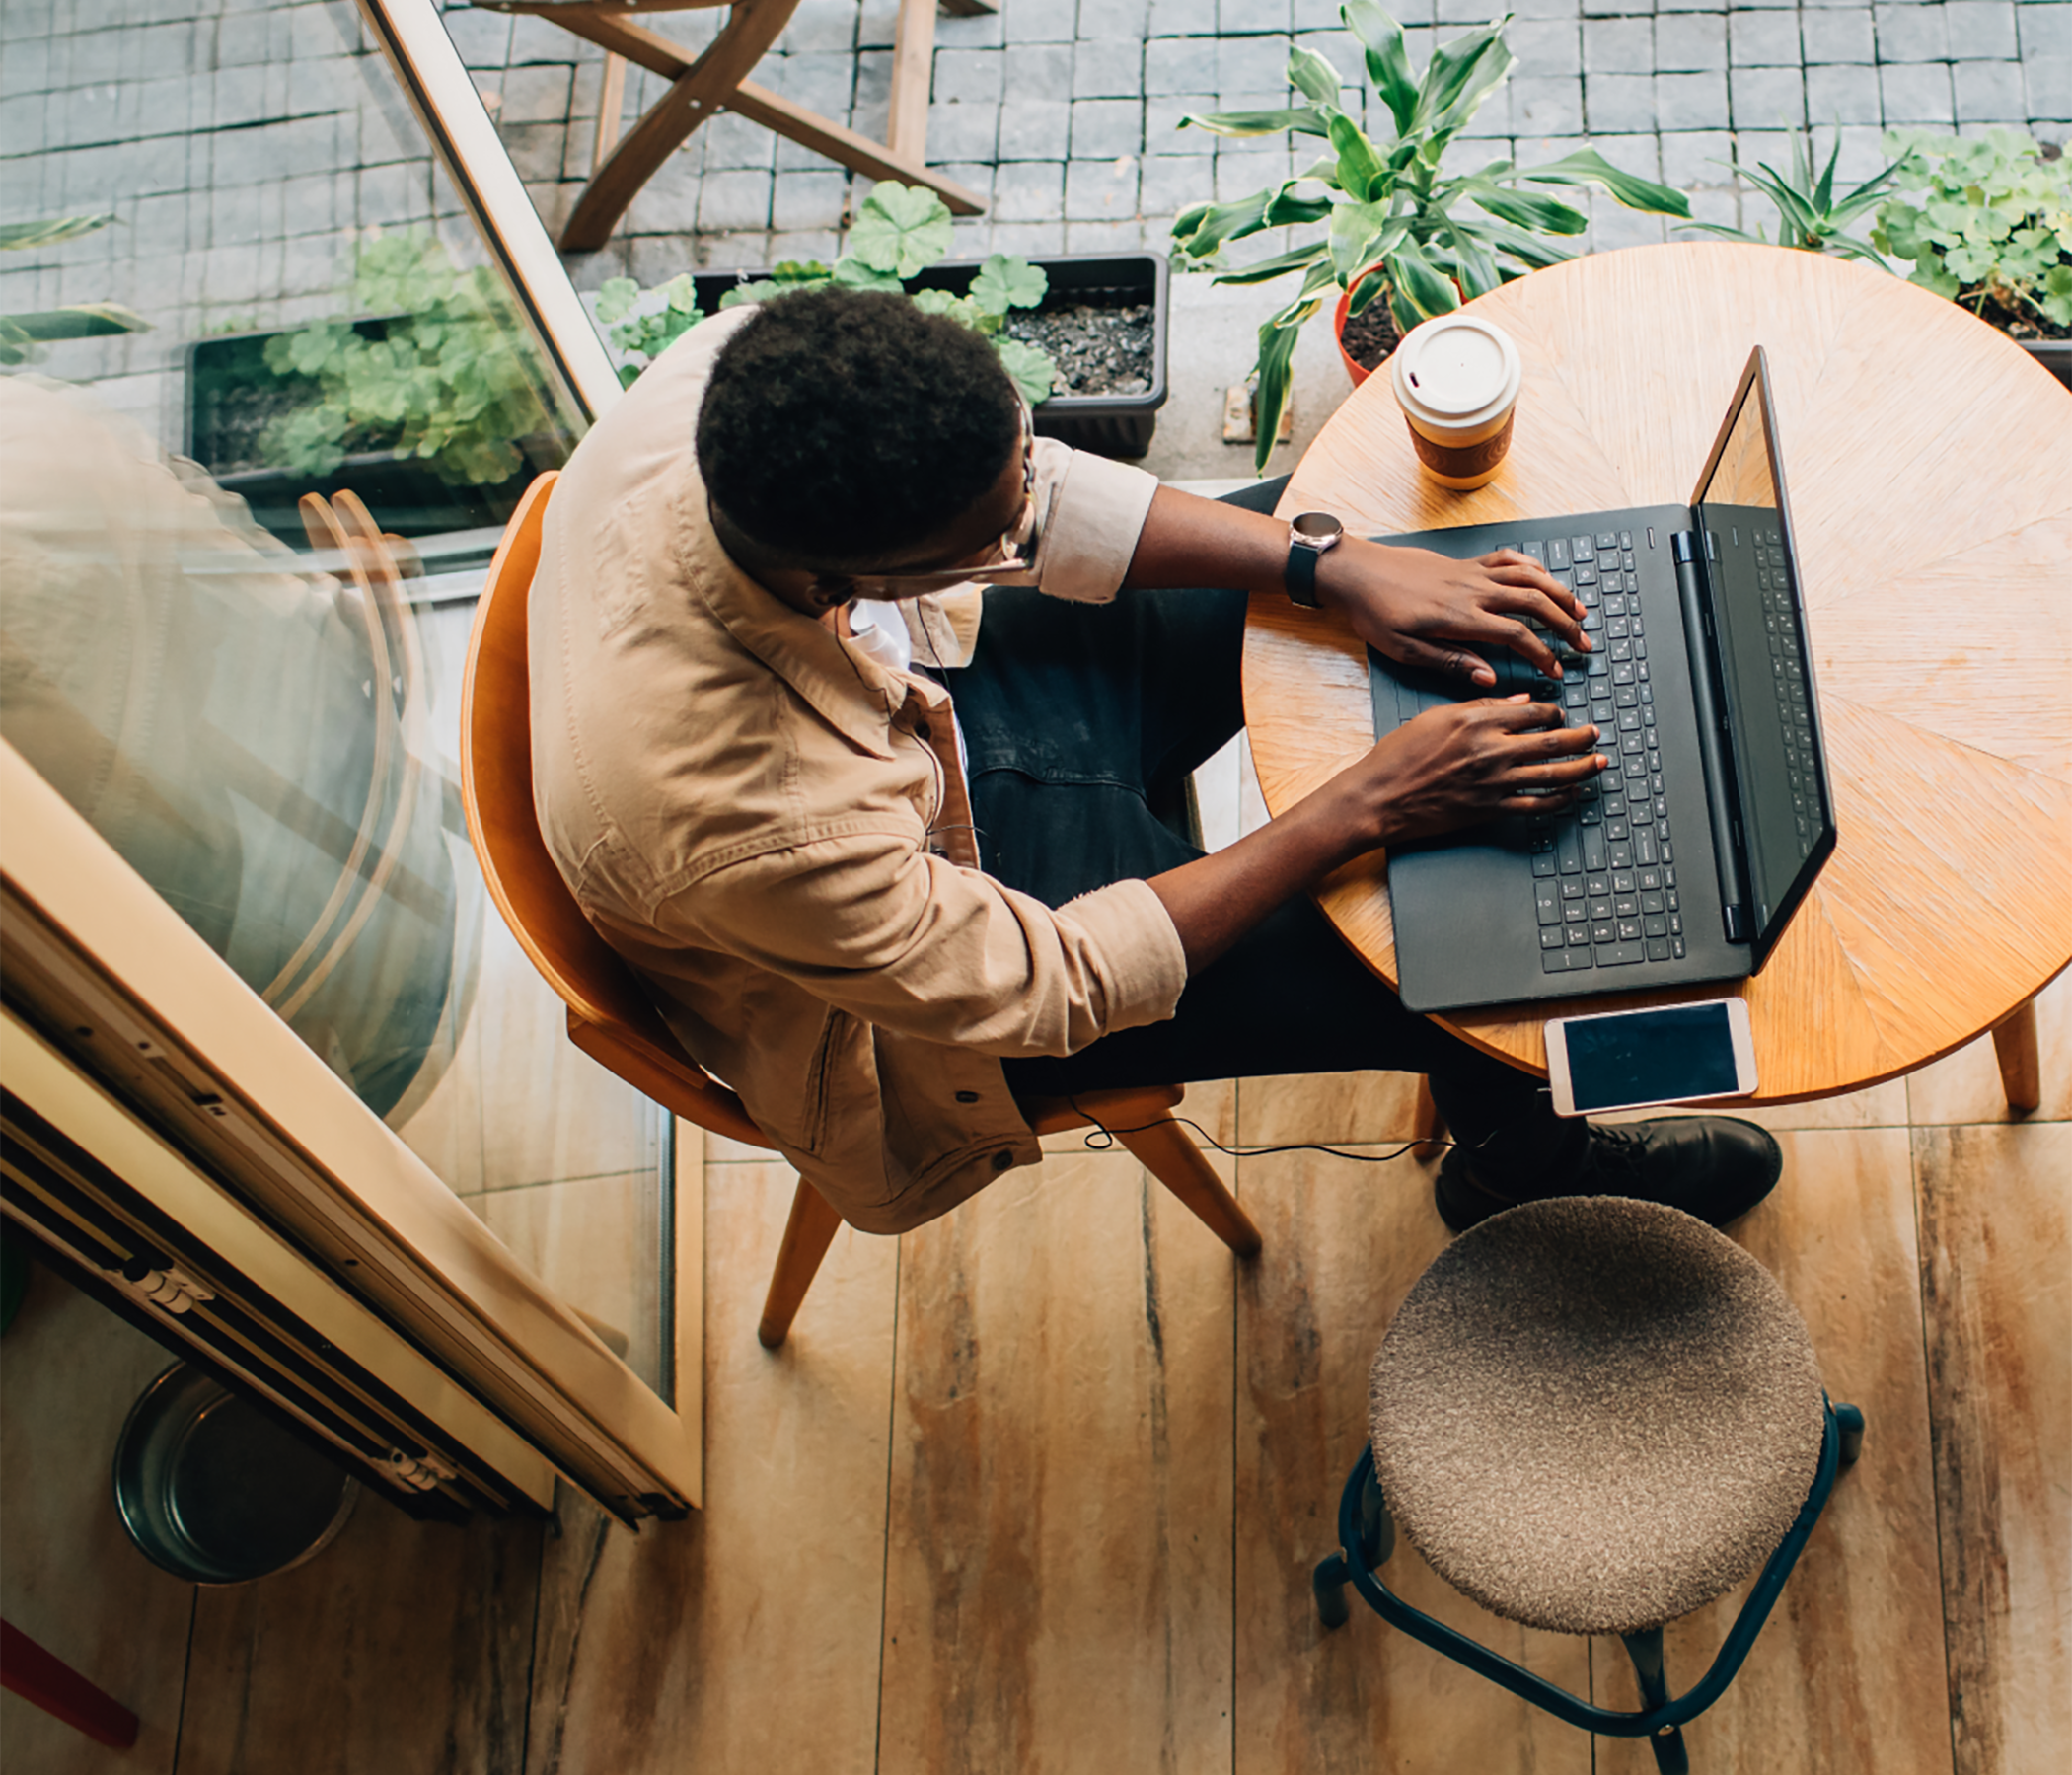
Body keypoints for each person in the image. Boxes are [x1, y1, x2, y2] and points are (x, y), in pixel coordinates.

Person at [528, 287, 1780, 1237]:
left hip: (930, 704)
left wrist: (1324, 563)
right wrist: (1368, 801)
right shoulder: (745, 821)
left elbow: (1031, 494)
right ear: (851, 578)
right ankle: (1524, 1175)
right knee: (1461, 964)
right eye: (996, 537)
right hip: (948, 947)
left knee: (1361, 537)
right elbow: (1049, 984)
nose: (1026, 518)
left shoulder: (738, 381)